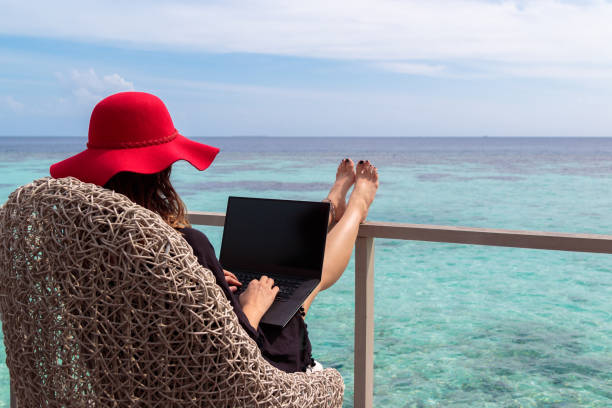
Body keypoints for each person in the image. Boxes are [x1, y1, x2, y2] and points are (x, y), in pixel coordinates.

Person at [50, 92, 378, 373]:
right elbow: (231, 356)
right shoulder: (181, 244)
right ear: (163, 170)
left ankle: (330, 207)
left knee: (286, 280)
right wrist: (251, 304)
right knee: (303, 284)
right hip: (238, 369)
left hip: (146, 375)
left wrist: (206, 279)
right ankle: (355, 207)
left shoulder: (81, 248)